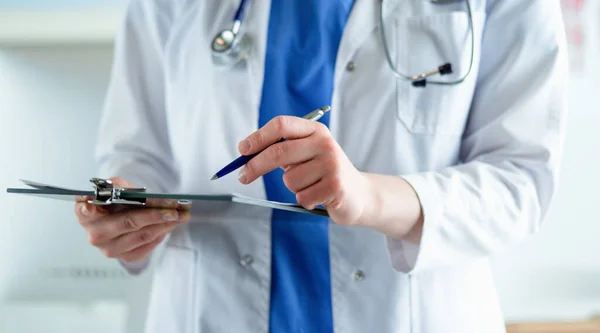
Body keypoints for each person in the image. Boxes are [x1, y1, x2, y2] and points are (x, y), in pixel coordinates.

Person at [74, 0, 569, 332]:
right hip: (209, 308)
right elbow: (137, 153)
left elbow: (520, 180)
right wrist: (125, 210)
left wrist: (370, 197)